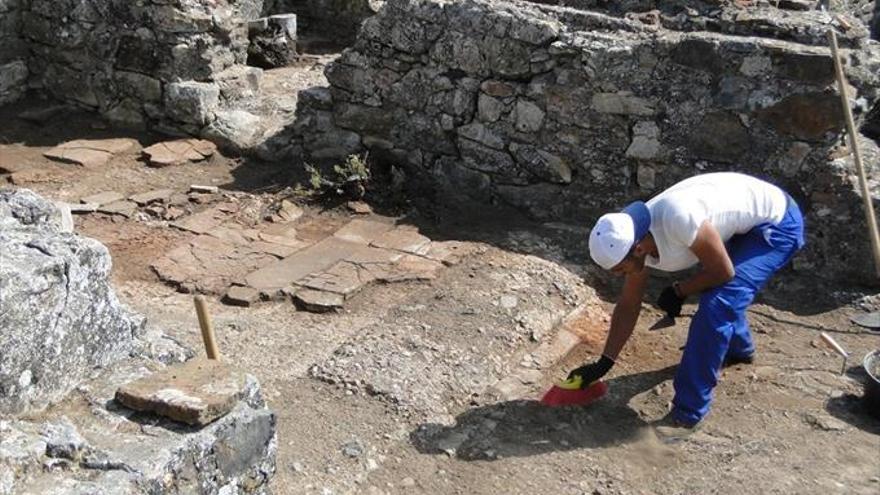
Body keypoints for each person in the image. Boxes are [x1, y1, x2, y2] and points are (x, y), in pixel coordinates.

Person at [570, 172, 805, 433]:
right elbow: (629, 302)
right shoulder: (636, 234)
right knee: (722, 295)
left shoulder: (678, 219)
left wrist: (680, 290)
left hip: (776, 222)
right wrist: (604, 362)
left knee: (718, 303)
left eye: (618, 269)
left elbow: (723, 272)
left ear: (637, 249)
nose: (617, 275)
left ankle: (687, 414)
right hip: (738, 221)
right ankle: (739, 349)